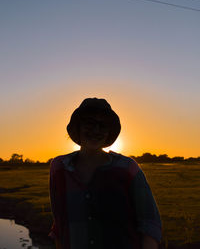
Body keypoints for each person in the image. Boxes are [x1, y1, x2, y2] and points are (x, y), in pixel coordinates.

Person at [48, 97, 162, 249]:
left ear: (109, 132)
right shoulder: (59, 168)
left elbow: (149, 222)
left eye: (103, 125)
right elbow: (60, 223)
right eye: (89, 123)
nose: (96, 130)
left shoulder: (128, 168)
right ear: (78, 126)